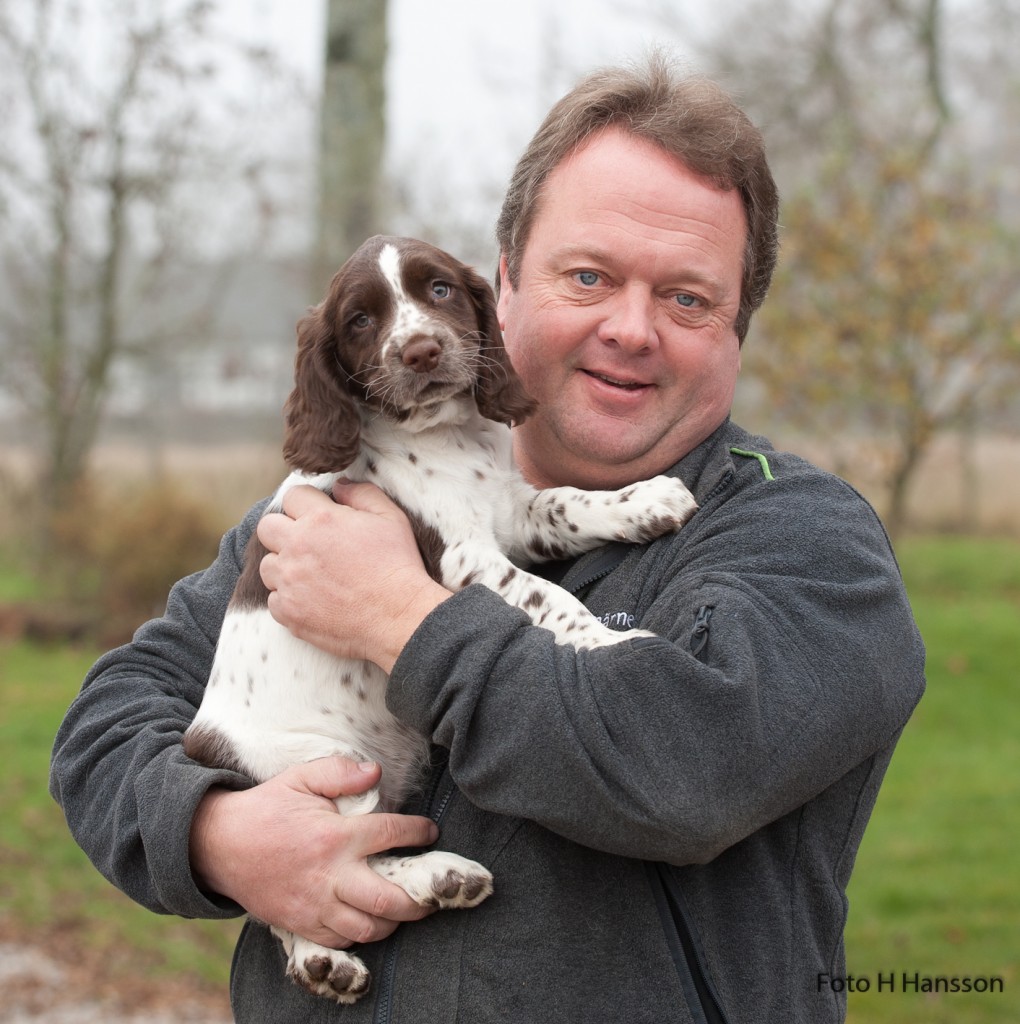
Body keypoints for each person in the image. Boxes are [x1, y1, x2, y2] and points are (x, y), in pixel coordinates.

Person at [50, 56, 925, 1024]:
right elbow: (109, 722)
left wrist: (401, 615)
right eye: (588, 276)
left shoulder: (804, 540)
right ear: (502, 284)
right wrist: (219, 832)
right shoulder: (338, 504)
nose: (631, 329)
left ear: (736, 330)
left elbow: (681, 779)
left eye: (686, 297)